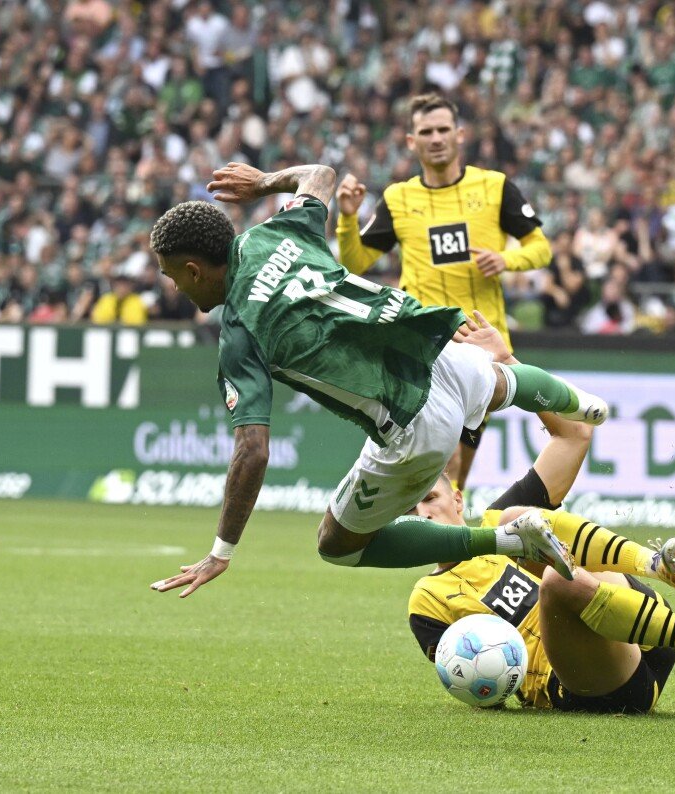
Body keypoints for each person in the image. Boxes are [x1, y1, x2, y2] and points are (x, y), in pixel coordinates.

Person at [147, 162, 607, 598]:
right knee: (503, 382)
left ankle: (509, 541)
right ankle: (584, 404)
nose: (175, 289)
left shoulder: (240, 335)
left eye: (173, 277)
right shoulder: (277, 230)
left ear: (194, 270)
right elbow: (320, 175)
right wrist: (266, 182)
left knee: (336, 544)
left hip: (411, 423)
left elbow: (253, 450)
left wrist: (221, 550)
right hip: (435, 349)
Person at [408, 315, 675, 714]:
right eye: (410, 507)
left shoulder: (495, 519)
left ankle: (654, 564)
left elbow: (575, 433)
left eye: (429, 497)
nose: (422, 511)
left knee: (516, 522)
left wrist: (507, 361)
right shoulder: (427, 601)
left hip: (641, 627)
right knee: (556, 578)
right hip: (589, 683)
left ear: (456, 499)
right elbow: (474, 687)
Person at [334, 93, 552, 492]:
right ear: (410, 141)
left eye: (443, 130)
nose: (436, 138)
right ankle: (433, 533)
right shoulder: (399, 198)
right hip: (423, 344)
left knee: (457, 474)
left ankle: (445, 539)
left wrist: (506, 259)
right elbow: (356, 261)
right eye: (426, 132)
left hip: (480, 342)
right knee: (442, 463)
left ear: (460, 135)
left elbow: (541, 247)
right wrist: (347, 217)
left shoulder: (494, 187)